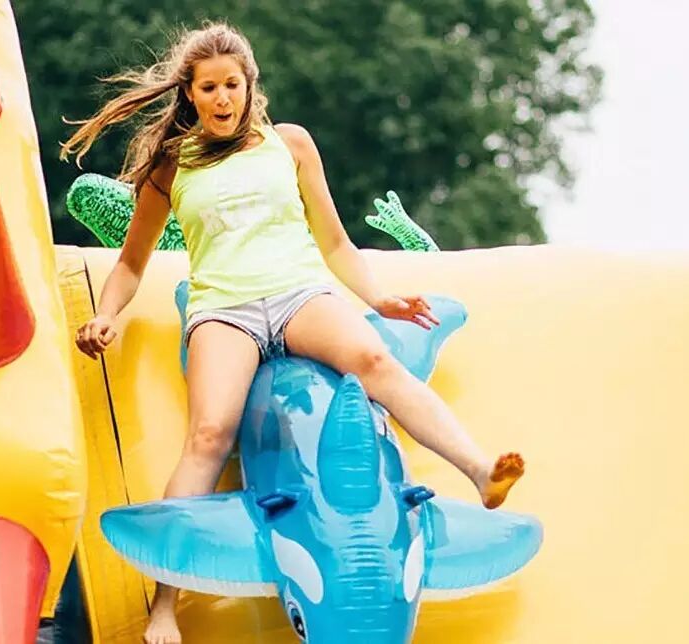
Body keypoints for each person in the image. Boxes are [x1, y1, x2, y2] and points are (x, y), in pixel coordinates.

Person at [61, 22, 525, 644]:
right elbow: (130, 263)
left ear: (250, 85)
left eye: (232, 84)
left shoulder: (292, 144)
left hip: (299, 293)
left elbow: (335, 243)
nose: (222, 98)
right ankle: (164, 606)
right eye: (209, 88)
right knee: (208, 434)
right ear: (190, 94)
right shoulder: (174, 164)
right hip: (225, 309)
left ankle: (479, 469)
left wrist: (379, 299)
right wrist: (107, 315)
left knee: (375, 361)